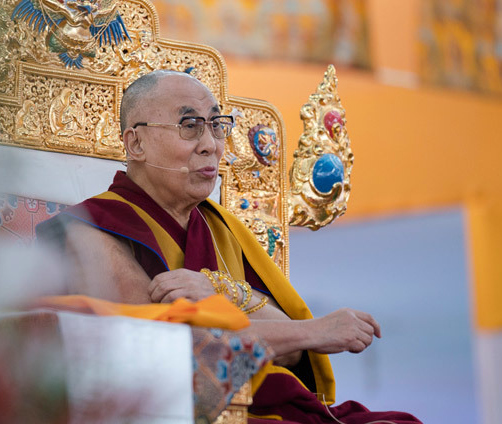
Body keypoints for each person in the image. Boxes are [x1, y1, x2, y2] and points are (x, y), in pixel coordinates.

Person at [38, 70, 420, 423]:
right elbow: (170, 355)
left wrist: (221, 291)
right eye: (190, 126)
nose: (210, 146)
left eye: (217, 127)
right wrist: (314, 331)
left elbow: (290, 352)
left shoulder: (222, 228)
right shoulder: (89, 229)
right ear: (135, 142)